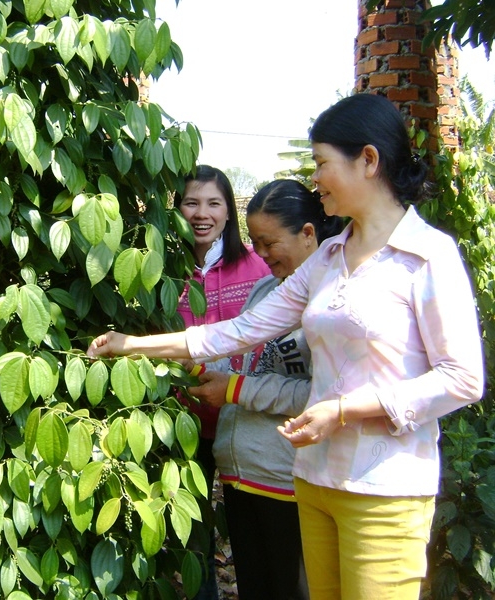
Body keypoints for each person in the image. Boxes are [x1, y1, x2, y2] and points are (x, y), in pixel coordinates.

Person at [88, 93, 484, 600]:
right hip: (316, 479)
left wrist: (343, 410)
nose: (314, 178)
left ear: (368, 160)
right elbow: (239, 330)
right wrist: (133, 344)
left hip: (384, 488)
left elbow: (462, 378)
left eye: (322, 164)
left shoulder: (427, 256)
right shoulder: (329, 259)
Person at [188, 179, 342, 600]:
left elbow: (319, 396)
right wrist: (194, 364)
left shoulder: (332, 304)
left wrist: (236, 390)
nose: (261, 253)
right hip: (242, 476)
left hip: (287, 480)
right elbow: (242, 354)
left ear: (308, 233)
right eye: (255, 241)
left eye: (269, 242)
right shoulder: (267, 290)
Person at [174, 165, 269, 599]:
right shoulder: (163, 268)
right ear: (177, 208)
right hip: (184, 421)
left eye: (214, 203)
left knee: (253, 535)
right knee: (193, 531)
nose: (202, 213)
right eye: (191, 202)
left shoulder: (256, 268)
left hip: (241, 420)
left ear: (230, 212)